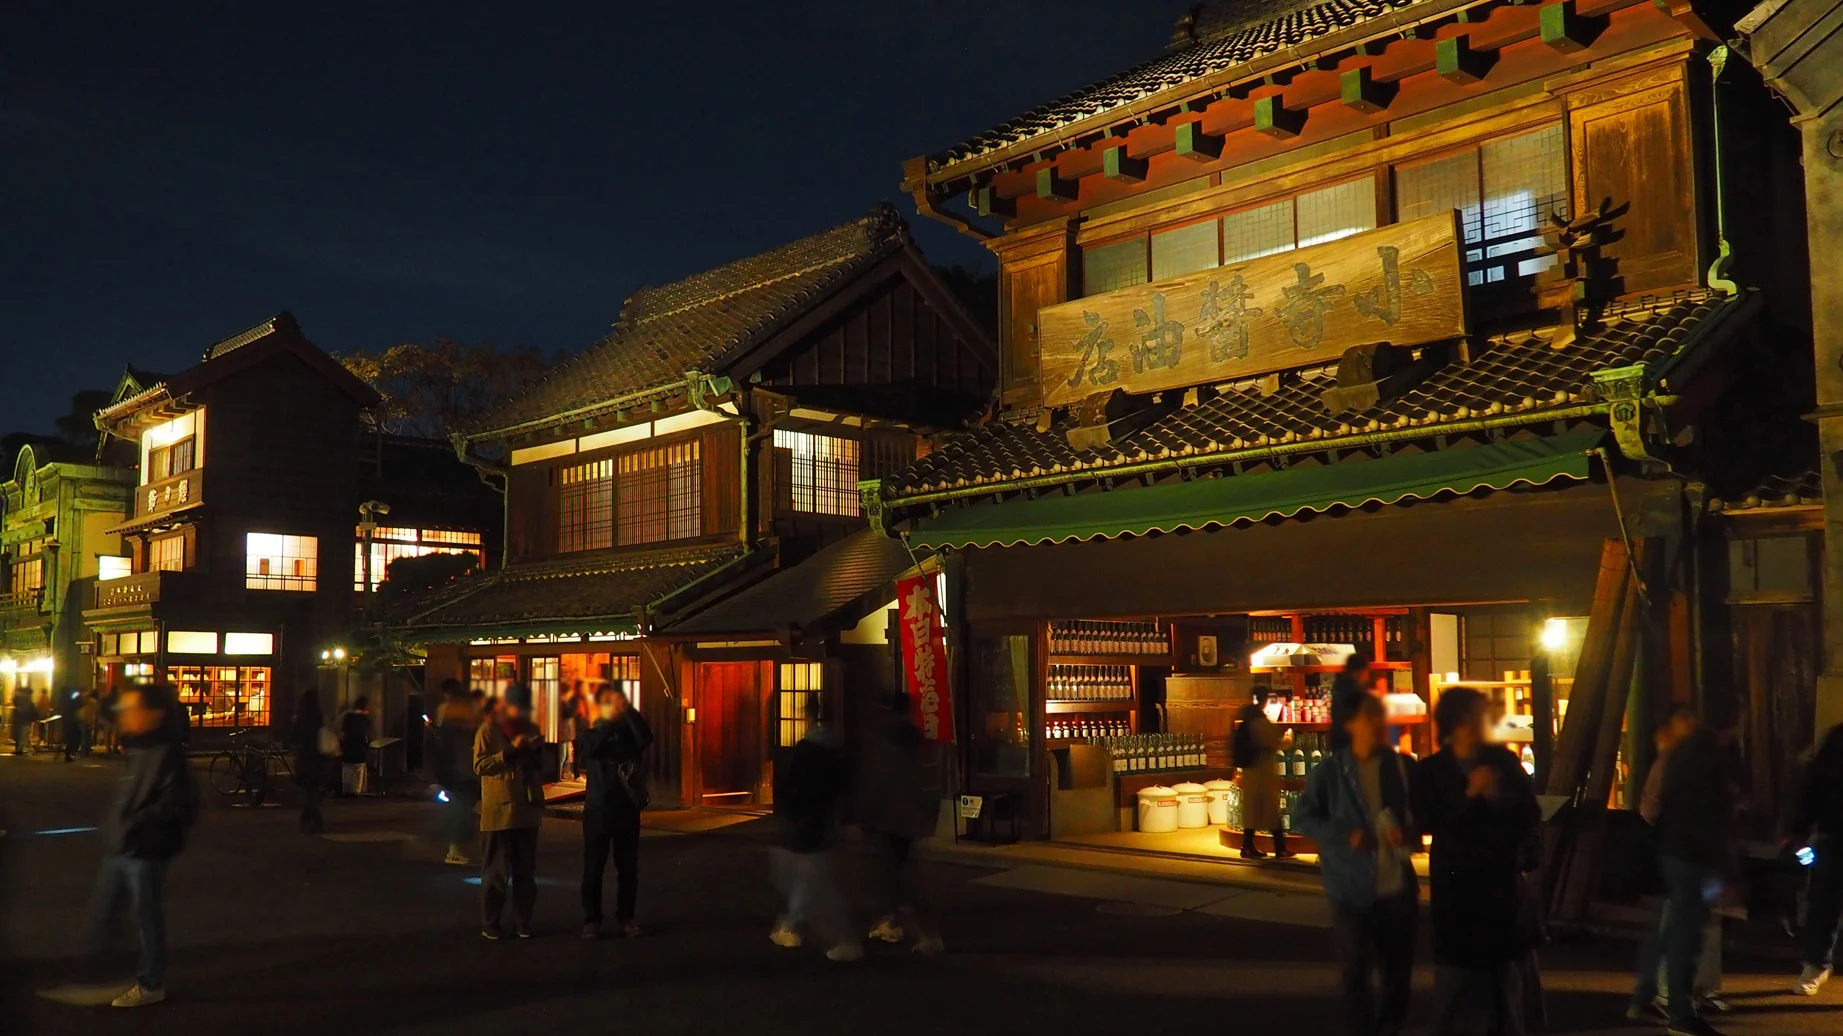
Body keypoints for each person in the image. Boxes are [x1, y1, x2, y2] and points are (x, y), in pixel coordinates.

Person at [1417, 687, 1541, 1036]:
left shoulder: (1503, 762)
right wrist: (1470, 795)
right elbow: (1425, 821)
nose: (1488, 722)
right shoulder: (1433, 771)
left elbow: (1530, 812)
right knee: (1456, 988)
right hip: (1457, 888)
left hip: (1501, 888)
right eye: (1481, 714)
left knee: (1506, 990)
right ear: (1460, 722)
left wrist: (1497, 796)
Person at [1296, 691, 1419, 1036]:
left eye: (1381, 715)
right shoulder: (1332, 771)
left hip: (1397, 884)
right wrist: (1342, 835)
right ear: (1351, 723)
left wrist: (1408, 834)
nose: (1378, 723)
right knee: (1356, 973)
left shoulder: (1402, 766)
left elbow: (1421, 815)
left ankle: (1390, 1027)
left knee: (1398, 972)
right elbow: (1301, 817)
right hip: (1349, 886)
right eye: (1370, 715)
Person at [83, 683, 198, 1007]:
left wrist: (136, 822)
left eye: (133, 709)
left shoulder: (167, 752)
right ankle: (111, 972)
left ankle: (150, 983)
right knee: (106, 910)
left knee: (146, 916)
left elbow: (180, 804)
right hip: (124, 843)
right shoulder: (137, 745)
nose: (126, 716)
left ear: (156, 714)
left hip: (147, 847)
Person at [1629, 706, 1737, 1036]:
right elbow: (1708, 813)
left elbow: (1655, 806)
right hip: (1691, 855)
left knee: (1671, 930)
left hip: (1675, 852)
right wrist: (1724, 863)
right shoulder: (1702, 754)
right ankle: (1678, 1009)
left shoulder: (1676, 755)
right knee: (1684, 933)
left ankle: (1655, 996)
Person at [769, 696, 859, 961]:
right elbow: (844, 784)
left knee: (808, 874)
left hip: (803, 817)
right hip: (822, 817)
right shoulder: (836, 750)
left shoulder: (805, 750)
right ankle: (797, 924)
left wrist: (785, 812)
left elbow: (790, 786)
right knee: (813, 872)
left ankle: (797, 925)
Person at [855, 690, 943, 954]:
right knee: (896, 872)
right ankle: (892, 920)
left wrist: (867, 813)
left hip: (888, 815)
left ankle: (921, 931)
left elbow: (878, 781)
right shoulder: (913, 740)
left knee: (896, 876)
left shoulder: (882, 741)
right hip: (905, 815)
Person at [578, 685, 653, 939]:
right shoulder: (590, 727)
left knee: (628, 868)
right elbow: (588, 748)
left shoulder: (630, 727)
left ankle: (626, 917)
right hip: (597, 808)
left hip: (627, 807)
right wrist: (609, 722)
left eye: (619, 701)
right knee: (593, 868)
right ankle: (592, 919)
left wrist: (628, 712)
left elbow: (646, 738)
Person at [475, 682, 544, 939]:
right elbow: (480, 765)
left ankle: (522, 922)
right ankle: (490, 922)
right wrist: (510, 752)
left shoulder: (533, 729)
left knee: (525, 871)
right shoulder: (488, 730)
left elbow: (541, 765)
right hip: (499, 809)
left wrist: (533, 753)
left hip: (527, 808)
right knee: (496, 870)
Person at [1787, 719, 1843, 996]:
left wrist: (1798, 829)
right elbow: (1815, 786)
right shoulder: (1838, 740)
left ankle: (1816, 964)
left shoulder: (1836, 739)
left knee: (1824, 902)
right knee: (1824, 903)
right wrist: (1797, 828)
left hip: (1832, 833)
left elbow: (1813, 785)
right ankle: (1816, 963)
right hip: (1834, 833)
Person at [1233, 687, 1292, 860]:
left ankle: (1250, 846)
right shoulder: (1259, 722)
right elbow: (1276, 742)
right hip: (1261, 771)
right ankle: (1277, 849)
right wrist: (1289, 738)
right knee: (1270, 810)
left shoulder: (1247, 718)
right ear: (1264, 699)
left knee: (1254, 810)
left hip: (1251, 770)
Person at [426, 679, 481, 866]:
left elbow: (442, 740)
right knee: (460, 806)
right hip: (460, 769)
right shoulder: (461, 713)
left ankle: (455, 847)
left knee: (460, 806)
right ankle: (454, 849)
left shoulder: (449, 712)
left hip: (456, 769)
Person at [289, 693, 331, 834]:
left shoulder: (301, 719)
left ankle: (311, 817)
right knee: (314, 789)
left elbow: (293, 738)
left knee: (308, 790)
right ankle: (309, 817)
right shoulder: (320, 719)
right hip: (318, 759)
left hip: (305, 759)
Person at [1329, 653, 1373, 753]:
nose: (1367, 676)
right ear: (1359, 671)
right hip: (1350, 744)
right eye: (1366, 672)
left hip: (1338, 742)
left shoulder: (1339, 687)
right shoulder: (1353, 692)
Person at [336, 696, 372, 795]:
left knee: (348, 771)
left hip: (348, 750)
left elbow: (343, 734)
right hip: (360, 751)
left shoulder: (348, 717)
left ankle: (348, 789)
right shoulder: (364, 719)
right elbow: (367, 736)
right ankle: (357, 789)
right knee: (358, 772)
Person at [10, 688, 38, 755]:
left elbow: (23, 710)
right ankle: (21, 748)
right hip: (24, 720)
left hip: (22, 720)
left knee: (21, 734)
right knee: (23, 734)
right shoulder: (27, 700)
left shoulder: (24, 700)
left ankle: (20, 748)